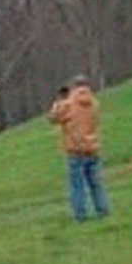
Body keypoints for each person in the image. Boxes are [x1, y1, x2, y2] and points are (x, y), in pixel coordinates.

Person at [48, 75, 110, 221]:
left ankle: (81, 215)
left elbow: (53, 118)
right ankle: (103, 210)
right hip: (92, 147)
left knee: (77, 186)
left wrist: (59, 100)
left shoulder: (68, 104)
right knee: (97, 184)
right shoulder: (94, 103)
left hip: (75, 150)